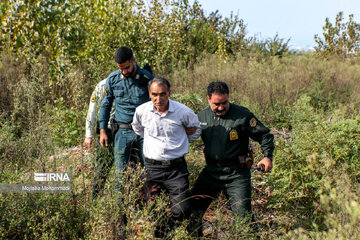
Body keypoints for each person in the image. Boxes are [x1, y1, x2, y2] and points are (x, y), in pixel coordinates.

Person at [189, 81, 274, 236]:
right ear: (208, 99)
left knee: (244, 218)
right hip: (211, 172)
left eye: (224, 102)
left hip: (237, 174)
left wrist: (267, 157)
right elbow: (184, 138)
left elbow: (265, 135)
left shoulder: (242, 115)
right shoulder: (201, 117)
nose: (221, 107)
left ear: (228, 98)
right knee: (192, 211)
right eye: (216, 104)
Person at [131, 77, 201, 235]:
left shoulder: (183, 112)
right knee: (154, 211)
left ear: (170, 93)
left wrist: (181, 140)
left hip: (176, 169)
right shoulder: (142, 111)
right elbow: (138, 128)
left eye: (162, 94)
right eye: (154, 94)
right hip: (152, 168)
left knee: (183, 209)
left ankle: (171, 229)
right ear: (149, 94)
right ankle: (162, 235)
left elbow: (196, 130)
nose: (158, 99)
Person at [98, 46, 154, 187]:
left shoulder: (147, 78)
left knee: (150, 171)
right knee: (120, 174)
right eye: (120, 68)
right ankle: (120, 207)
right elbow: (105, 105)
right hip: (122, 132)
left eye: (127, 68)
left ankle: (150, 205)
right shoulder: (113, 79)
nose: (124, 72)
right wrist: (103, 130)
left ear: (133, 60)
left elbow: (157, 104)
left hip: (144, 132)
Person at [84, 78, 115, 199]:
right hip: (106, 132)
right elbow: (92, 110)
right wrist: (89, 135)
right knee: (102, 167)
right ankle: (95, 200)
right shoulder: (103, 85)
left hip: (126, 131)